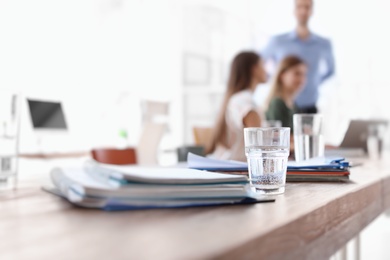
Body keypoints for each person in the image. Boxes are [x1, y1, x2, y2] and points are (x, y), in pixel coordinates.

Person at [262, 0, 335, 113]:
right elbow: (258, 64)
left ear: (312, 10)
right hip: (284, 104)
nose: (303, 11)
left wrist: (313, 81)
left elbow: (331, 71)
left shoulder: (324, 44)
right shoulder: (277, 41)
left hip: (310, 105)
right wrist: (276, 79)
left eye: (307, 7)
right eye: (299, 7)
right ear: (294, 10)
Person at [205, 51, 267, 161]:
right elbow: (259, 141)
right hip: (237, 169)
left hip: (234, 166)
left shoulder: (238, 98)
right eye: (263, 65)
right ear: (254, 69)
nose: (266, 70)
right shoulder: (243, 99)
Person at [265, 56, 307, 131]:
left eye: (304, 75)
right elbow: (278, 136)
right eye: (297, 73)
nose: (302, 79)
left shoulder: (294, 105)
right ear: (282, 75)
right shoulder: (277, 103)